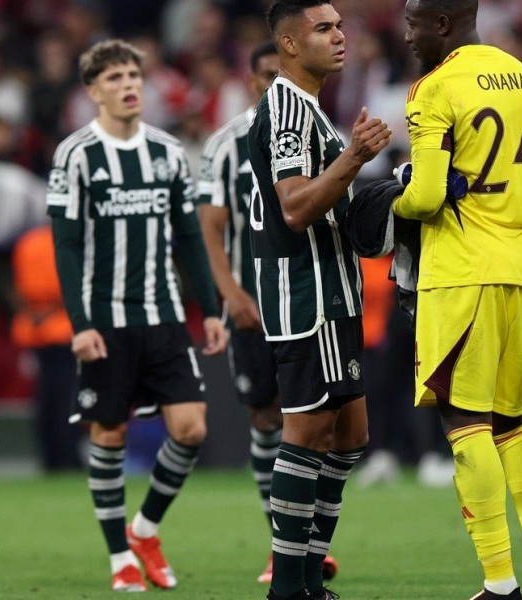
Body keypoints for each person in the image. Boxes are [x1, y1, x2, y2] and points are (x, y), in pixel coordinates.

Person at [394, 2, 522, 599]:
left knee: (464, 423)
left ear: (442, 23)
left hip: (462, 272)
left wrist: (387, 198)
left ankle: (498, 583)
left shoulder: (435, 87)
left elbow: (425, 197)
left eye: (414, 21)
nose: (407, 33)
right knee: (514, 424)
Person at [46, 39, 227, 592]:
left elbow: (191, 236)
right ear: (93, 90)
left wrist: (212, 309)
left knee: (192, 428)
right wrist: (80, 324)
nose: (128, 85)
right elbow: (67, 245)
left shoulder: (169, 152)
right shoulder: (75, 156)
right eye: (115, 78)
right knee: (109, 433)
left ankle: (145, 529)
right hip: (105, 320)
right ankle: (119, 556)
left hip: (164, 315)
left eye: (134, 76)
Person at [247, 2, 391, 599]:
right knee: (306, 434)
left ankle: (308, 576)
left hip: (335, 290)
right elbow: (295, 205)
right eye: (324, 29)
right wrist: (355, 158)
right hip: (305, 294)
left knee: (351, 435)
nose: (340, 37)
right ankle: (291, 587)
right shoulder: (286, 107)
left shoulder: (312, 109)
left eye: (340, 26)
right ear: (287, 41)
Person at [196, 40, 338, 585]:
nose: (268, 82)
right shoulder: (226, 143)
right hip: (253, 301)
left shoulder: (313, 124)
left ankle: (296, 545)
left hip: (301, 295)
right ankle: (276, 541)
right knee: (264, 414)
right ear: (252, 80)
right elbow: (210, 226)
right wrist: (229, 292)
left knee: (312, 420)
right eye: (262, 74)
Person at [9, 224, 82, 472]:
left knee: (45, 396)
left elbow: (16, 287)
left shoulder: (27, 241)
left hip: (33, 328)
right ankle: (66, 457)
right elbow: (75, 284)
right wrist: (49, 312)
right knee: (65, 397)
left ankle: (50, 457)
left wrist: (34, 313)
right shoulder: (70, 239)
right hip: (64, 328)